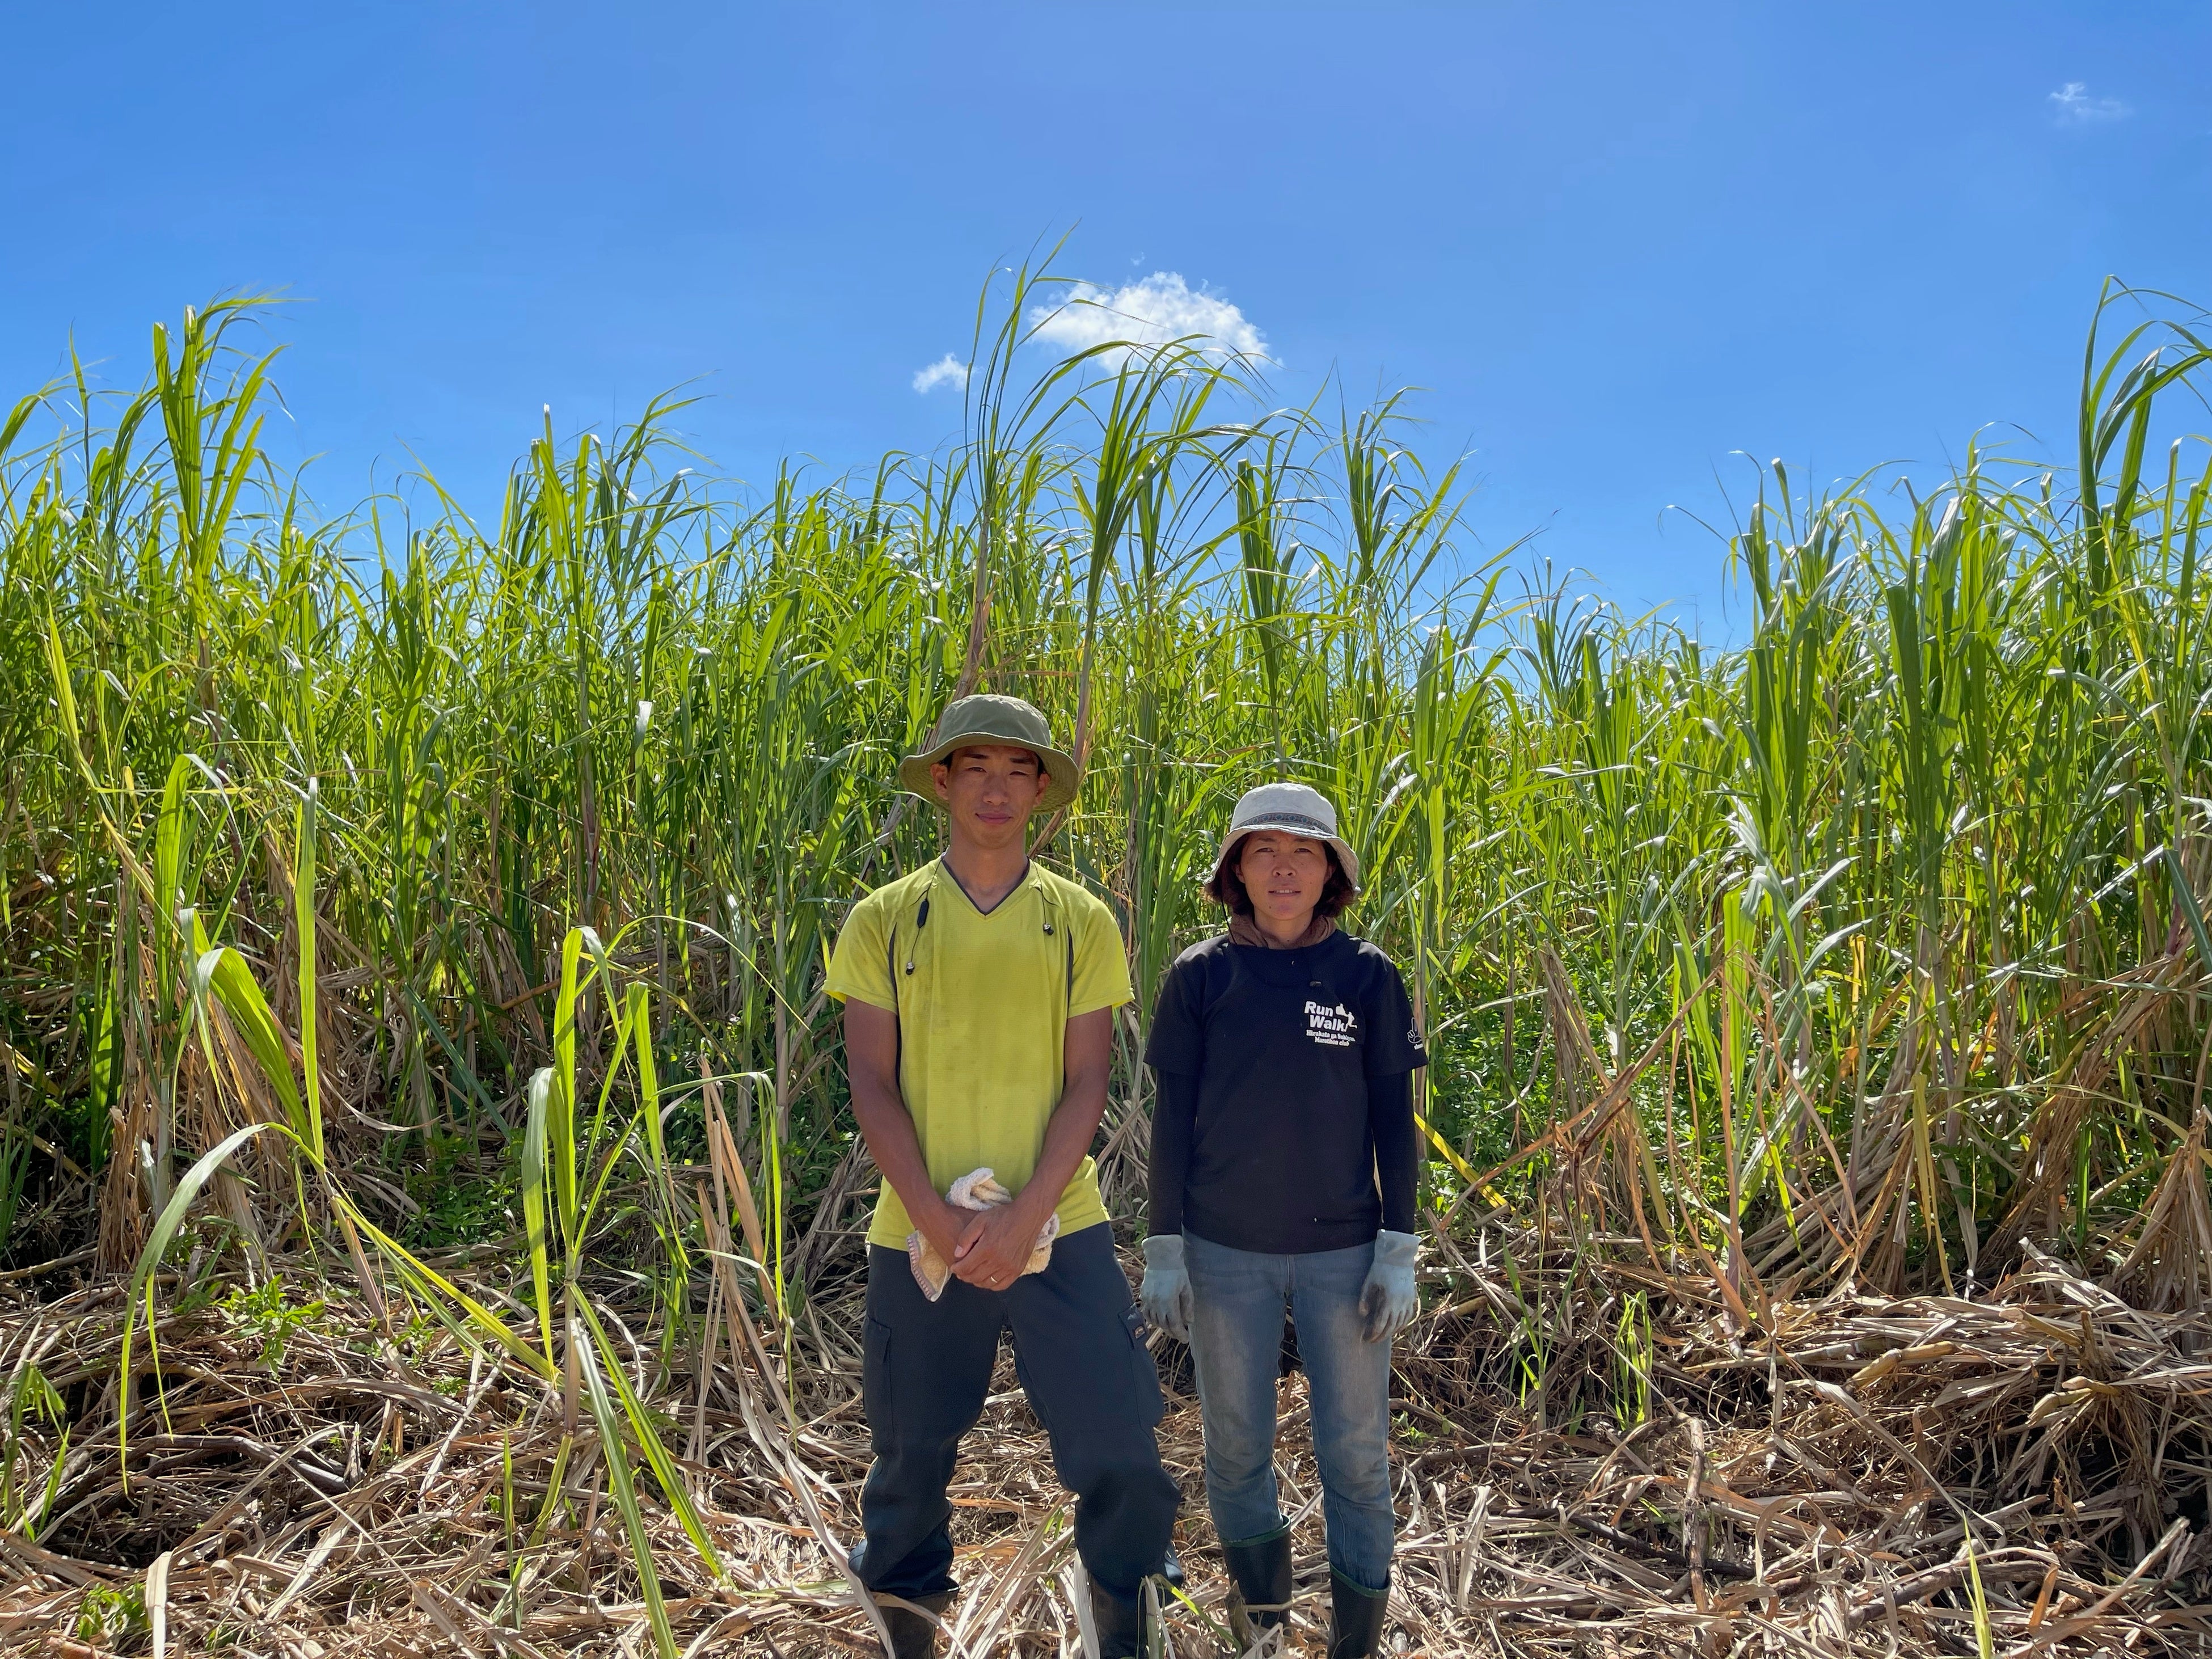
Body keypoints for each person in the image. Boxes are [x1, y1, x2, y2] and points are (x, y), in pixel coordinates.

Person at [826, 693, 1180, 1659]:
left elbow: (1088, 1082)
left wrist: (1026, 1216)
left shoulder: (1079, 920)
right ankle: (905, 1619)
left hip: (1058, 1226)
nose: (994, 788)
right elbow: (870, 1081)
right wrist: (936, 1222)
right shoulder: (887, 919)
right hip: (918, 1234)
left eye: (1016, 770)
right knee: (908, 1461)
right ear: (941, 781)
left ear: (1040, 792)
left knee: (1122, 1450)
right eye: (974, 767)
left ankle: (1131, 1613)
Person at [1139, 782, 1425, 1659]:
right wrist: (1163, 1247)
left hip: (1346, 1256)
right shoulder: (1200, 978)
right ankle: (1261, 1632)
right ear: (1235, 870)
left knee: (1356, 1459)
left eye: (1304, 852)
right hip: (1226, 1254)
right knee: (1235, 1453)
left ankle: (1352, 1645)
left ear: (1332, 869)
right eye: (1263, 851)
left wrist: (1399, 1248)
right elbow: (1172, 1122)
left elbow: (1392, 1120)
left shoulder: (1368, 978)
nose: (1284, 868)